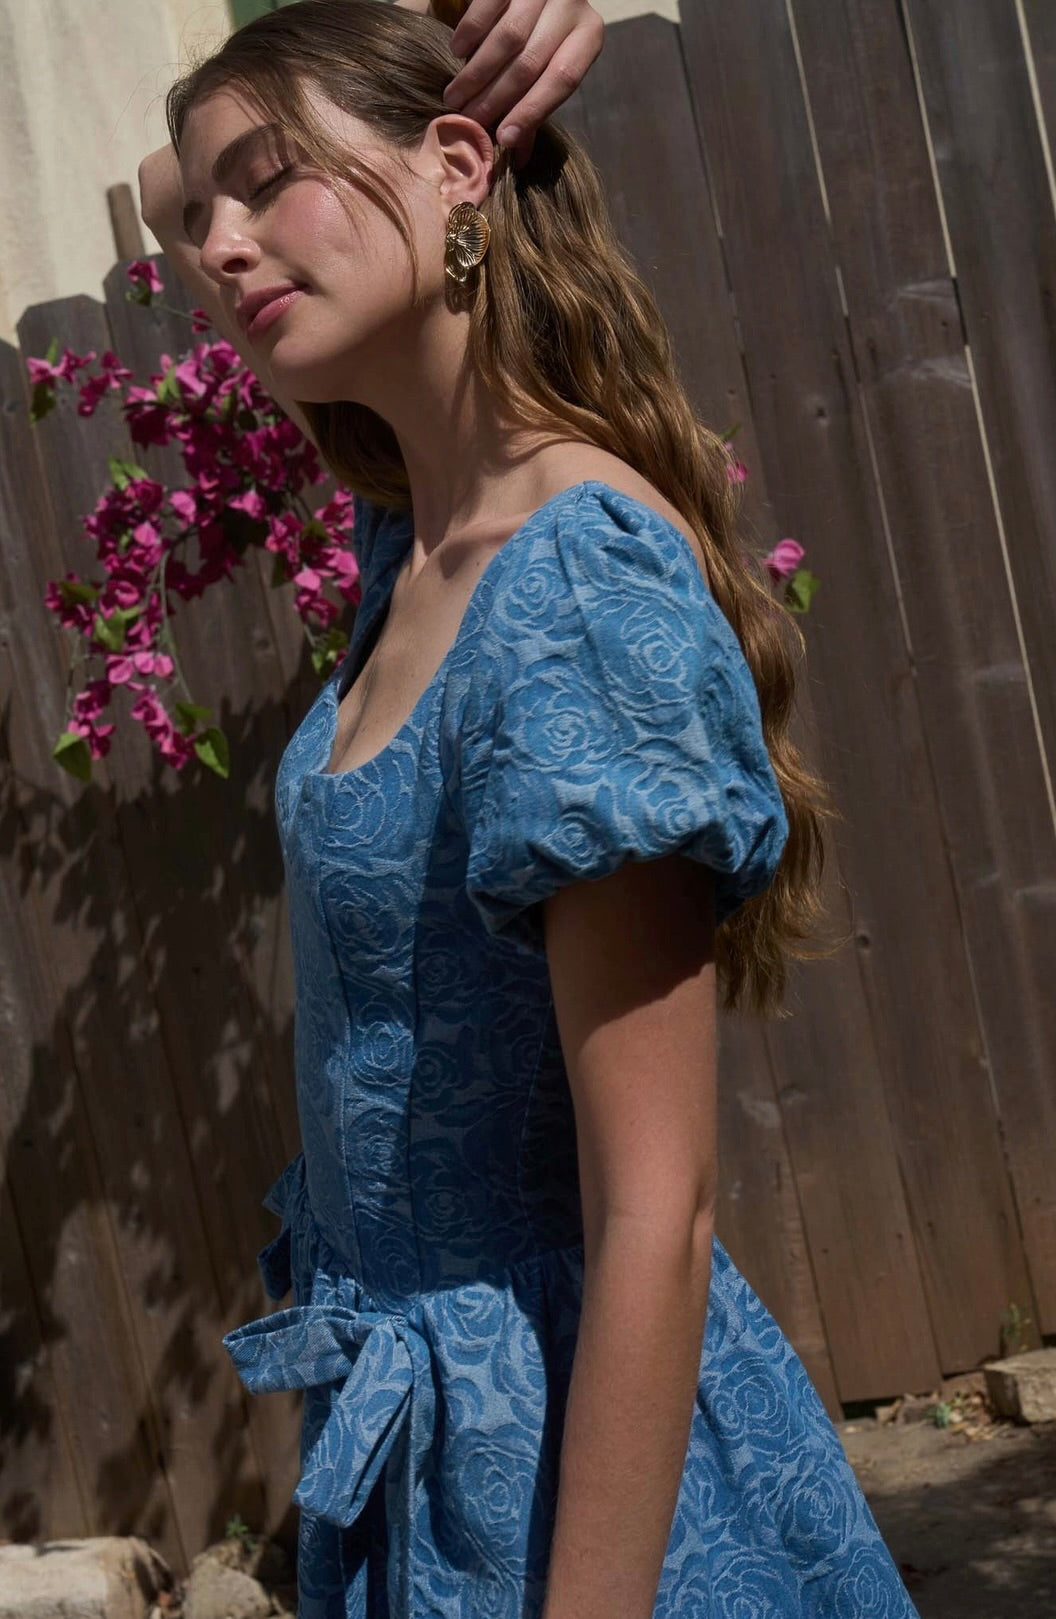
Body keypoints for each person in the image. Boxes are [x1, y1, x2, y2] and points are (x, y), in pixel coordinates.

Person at [141, 2, 921, 1614]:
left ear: (455, 164)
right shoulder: (415, 533)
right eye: (209, 212)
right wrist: (379, 75)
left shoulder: (570, 575)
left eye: (266, 183)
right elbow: (170, 173)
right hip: (438, 1463)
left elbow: (659, 1206)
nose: (215, 244)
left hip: (574, 1487)